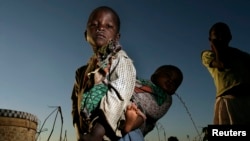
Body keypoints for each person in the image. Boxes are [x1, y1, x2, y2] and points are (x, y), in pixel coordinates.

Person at [71, 6, 137, 141]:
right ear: (86, 35)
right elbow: (75, 104)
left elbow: (119, 95)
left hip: (114, 136)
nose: (101, 28)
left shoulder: (120, 60)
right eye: (94, 24)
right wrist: (79, 134)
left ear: (117, 37)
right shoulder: (81, 72)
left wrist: (97, 133)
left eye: (109, 26)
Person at [80, 64, 183, 140]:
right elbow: (122, 82)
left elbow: (155, 111)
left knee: (137, 122)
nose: (171, 81)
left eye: (175, 82)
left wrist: (132, 100)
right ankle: (95, 135)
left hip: (137, 121)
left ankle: (129, 124)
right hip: (120, 104)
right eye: (168, 75)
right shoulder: (139, 81)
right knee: (107, 113)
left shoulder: (167, 99)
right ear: (154, 76)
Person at [201, 22, 250, 124]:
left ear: (229, 37)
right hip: (229, 102)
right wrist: (217, 49)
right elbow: (222, 63)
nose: (220, 38)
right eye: (216, 35)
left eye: (223, 34)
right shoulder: (208, 55)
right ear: (210, 39)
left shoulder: (240, 54)